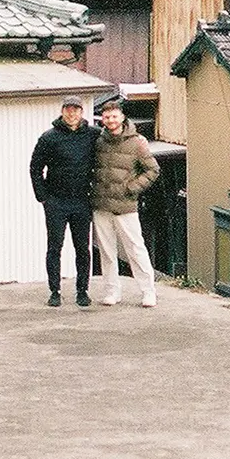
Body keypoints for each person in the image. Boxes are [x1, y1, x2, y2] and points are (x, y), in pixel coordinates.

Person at [90, 95, 160, 307]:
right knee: (107, 252)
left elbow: (153, 170)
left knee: (135, 249)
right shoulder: (98, 141)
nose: (110, 120)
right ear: (102, 119)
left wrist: (131, 188)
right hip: (101, 205)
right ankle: (112, 291)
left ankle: (148, 291)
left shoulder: (137, 142)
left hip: (126, 206)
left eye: (114, 116)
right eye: (106, 116)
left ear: (122, 117)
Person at [29, 95, 98, 307]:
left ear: (81, 112)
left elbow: (113, 146)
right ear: (62, 111)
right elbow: (35, 168)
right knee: (54, 248)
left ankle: (83, 290)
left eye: (75, 110)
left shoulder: (93, 135)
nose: (71, 113)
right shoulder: (49, 138)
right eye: (68, 109)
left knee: (82, 248)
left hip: (81, 201)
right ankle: (55, 291)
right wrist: (43, 197)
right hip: (56, 202)